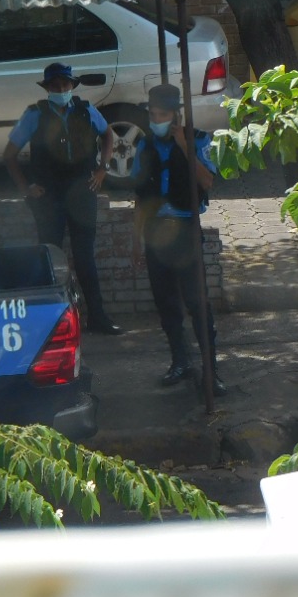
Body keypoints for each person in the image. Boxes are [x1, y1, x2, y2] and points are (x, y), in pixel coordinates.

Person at [2, 62, 121, 335]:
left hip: (82, 192)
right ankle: (51, 323)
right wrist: (26, 187)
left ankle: (98, 317)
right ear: (47, 89)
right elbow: (9, 155)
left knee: (84, 258)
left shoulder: (86, 109)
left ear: (72, 86)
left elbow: (107, 135)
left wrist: (103, 169)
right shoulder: (34, 115)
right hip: (48, 195)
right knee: (49, 259)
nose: (61, 90)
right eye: (55, 86)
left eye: (65, 85)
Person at [132, 83, 226, 396]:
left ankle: (211, 369)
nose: (156, 120)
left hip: (186, 230)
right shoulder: (144, 147)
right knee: (167, 304)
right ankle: (180, 361)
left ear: (176, 116)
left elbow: (208, 181)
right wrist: (136, 240)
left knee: (198, 303)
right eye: (153, 114)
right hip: (156, 233)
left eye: (163, 115)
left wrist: (184, 146)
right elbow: (140, 198)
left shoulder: (198, 140)